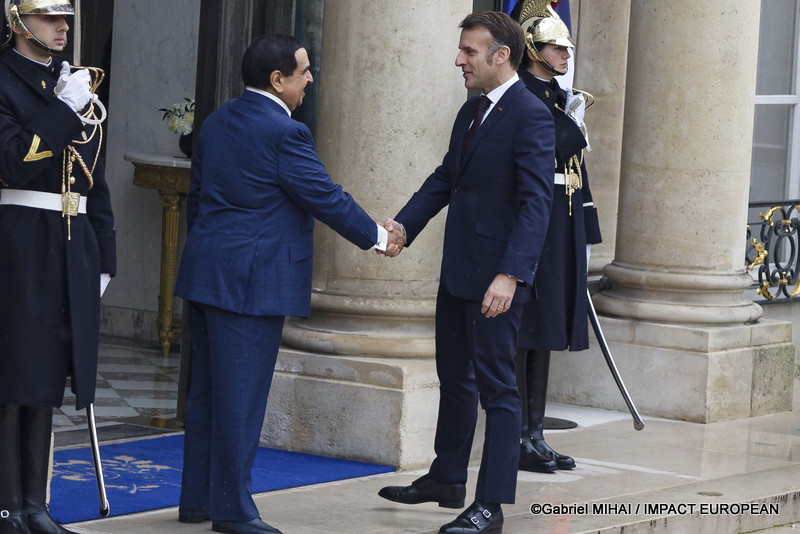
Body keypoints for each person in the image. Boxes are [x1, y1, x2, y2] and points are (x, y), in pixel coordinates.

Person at [174, 34, 405, 534]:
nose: (310, 79)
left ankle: (197, 501)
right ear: (277, 80)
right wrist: (377, 237)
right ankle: (232, 511)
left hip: (207, 274)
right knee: (241, 400)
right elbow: (324, 196)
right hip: (251, 284)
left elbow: (198, 199)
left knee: (207, 395)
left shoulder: (217, 120)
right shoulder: (285, 133)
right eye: (304, 72)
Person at [377, 11, 555, 534]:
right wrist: (403, 225)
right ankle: (446, 478)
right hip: (458, 272)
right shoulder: (472, 110)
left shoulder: (531, 114)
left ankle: (490, 506)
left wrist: (511, 275)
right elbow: (446, 177)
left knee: (498, 392)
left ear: (502, 56)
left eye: (469, 52)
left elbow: (536, 204)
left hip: (497, 282)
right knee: (455, 379)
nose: (459, 60)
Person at [0, 1, 116, 534]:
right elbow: (12, 160)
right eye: (49, 16)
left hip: (70, 243)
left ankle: (34, 506)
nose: (63, 25)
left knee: (45, 377)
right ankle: (7, 508)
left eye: (66, 15)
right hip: (18, 242)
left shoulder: (69, 81)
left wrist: (104, 253)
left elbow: (94, 174)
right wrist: (65, 110)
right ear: (17, 20)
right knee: (12, 379)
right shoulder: (6, 79)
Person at [512, 0, 602, 473]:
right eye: (556, 48)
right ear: (532, 49)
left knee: (545, 331)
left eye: (566, 48)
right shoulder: (522, 96)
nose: (566, 55)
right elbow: (545, 153)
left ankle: (536, 433)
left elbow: (576, 171)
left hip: (562, 221)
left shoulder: (557, 96)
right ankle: (516, 437)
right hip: (536, 220)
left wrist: (586, 226)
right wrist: (572, 123)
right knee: (525, 331)